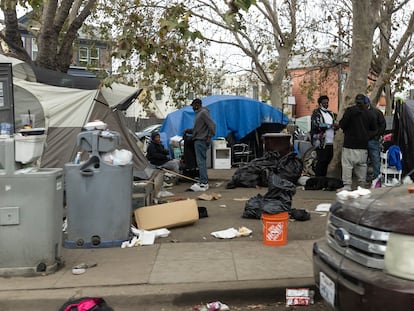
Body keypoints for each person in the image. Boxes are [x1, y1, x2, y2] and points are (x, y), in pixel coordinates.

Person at [339, 94, 377, 190]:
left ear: (355, 101)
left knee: (347, 166)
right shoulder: (369, 114)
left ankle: (347, 185)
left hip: (349, 144)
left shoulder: (349, 111)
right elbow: (374, 129)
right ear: (365, 102)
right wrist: (367, 136)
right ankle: (361, 185)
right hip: (363, 145)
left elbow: (342, 125)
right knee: (362, 166)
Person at [183, 98, 216, 191]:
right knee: (200, 162)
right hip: (198, 139)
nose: (192, 108)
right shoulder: (199, 114)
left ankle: (204, 182)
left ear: (197, 104)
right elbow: (198, 129)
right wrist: (188, 130)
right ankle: (202, 180)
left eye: (193, 106)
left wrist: (209, 137)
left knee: (201, 162)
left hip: (201, 140)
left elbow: (212, 125)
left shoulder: (203, 113)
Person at [310, 95, 339, 176]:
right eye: (324, 103)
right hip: (321, 142)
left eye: (327, 103)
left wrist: (336, 126)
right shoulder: (316, 113)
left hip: (330, 141)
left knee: (328, 160)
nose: (326, 104)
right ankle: (318, 179)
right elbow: (317, 125)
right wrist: (331, 125)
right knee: (321, 161)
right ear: (320, 103)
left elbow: (336, 124)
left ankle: (323, 180)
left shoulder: (331, 114)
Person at [366, 97, 386, 188]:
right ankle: (366, 179)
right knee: (363, 161)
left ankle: (376, 179)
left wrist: (377, 135)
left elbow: (383, 125)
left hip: (373, 140)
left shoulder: (376, 112)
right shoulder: (360, 112)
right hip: (364, 140)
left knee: (375, 160)